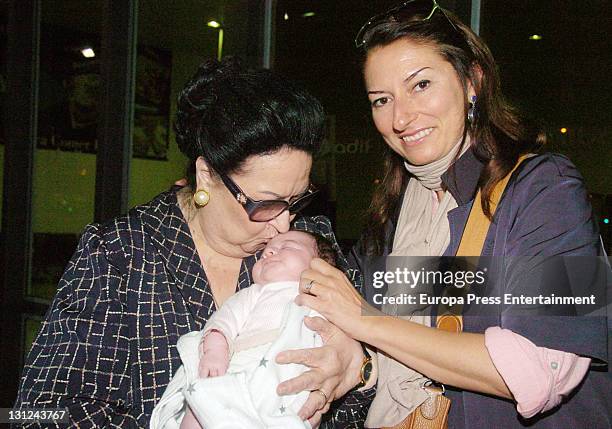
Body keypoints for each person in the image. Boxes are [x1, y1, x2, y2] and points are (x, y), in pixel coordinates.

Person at [295, 1, 610, 428]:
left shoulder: (547, 188)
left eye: (421, 84)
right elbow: (413, 333)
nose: (401, 117)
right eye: (381, 100)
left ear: (471, 81)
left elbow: (542, 369)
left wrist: (365, 320)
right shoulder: (403, 204)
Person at [15, 57, 374, 428]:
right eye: (266, 203)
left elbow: (373, 384)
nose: (285, 224)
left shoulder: (311, 243)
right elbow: (39, 412)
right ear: (206, 176)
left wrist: (360, 370)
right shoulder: (119, 252)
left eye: (296, 200)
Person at [151, 230, 338, 428]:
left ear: (321, 268)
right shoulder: (254, 294)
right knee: (203, 403)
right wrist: (215, 349)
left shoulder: (327, 299)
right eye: (266, 250)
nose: (269, 252)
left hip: (288, 383)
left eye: (286, 247)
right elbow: (223, 320)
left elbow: (348, 331)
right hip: (242, 369)